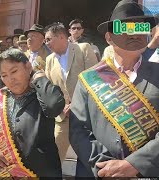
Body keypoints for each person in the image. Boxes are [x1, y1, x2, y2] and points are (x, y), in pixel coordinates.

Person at [69, 0, 159, 177]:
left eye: (139, 28)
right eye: (124, 28)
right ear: (109, 38)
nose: (134, 34)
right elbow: (78, 131)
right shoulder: (88, 79)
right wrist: (104, 168)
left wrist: (134, 165)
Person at [0, 48, 65, 177]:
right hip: (1, 173)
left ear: (28, 67)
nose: (10, 79)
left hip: (39, 173)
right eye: (4, 75)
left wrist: (38, 76)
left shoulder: (42, 93)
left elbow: (53, 106)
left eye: (14, 71)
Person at [44, 22, 98, 162]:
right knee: (55, 159)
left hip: (85, 117)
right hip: (62, 116)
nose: (46, 43)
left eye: (49, 39)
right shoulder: (49, 60)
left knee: (88, 159)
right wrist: (60, 106)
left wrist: (75, 104)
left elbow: (93, 80)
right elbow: (50, 90)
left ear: (62, 36)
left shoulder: (83, 49)